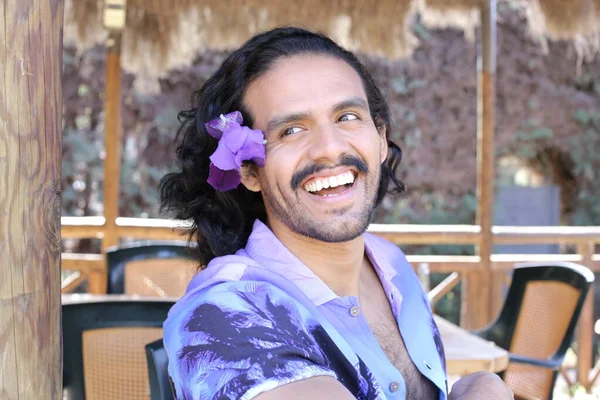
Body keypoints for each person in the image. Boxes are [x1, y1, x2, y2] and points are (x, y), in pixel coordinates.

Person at [159, 27, 513, 400]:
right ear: (249, 171)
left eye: (346, 117)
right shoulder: (224, 316)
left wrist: (478, 386)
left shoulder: (390, 264)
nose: (328, 148)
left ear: (380, 139)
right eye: (292, 130)